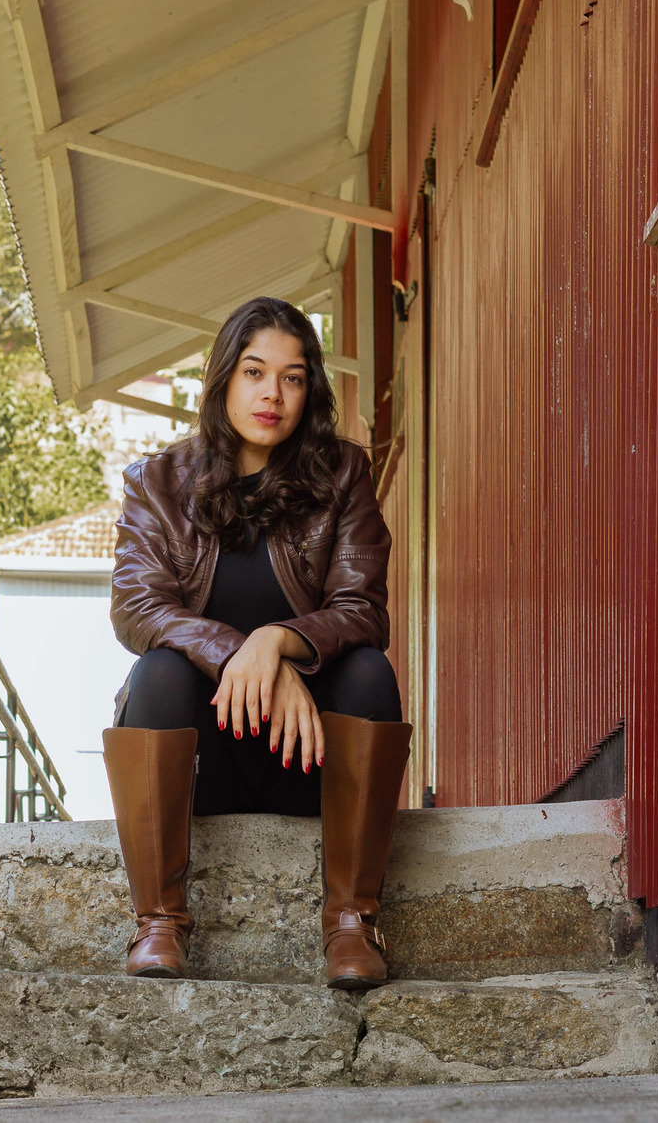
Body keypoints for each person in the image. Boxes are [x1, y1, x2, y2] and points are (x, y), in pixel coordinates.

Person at [103, 296, 412, 991]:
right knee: (158, 673)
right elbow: (137, 607)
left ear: (310, 390)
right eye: (254, 372)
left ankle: (352, 924)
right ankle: (159, 923)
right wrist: (238, 655)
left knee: (367, 673)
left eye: (294, 377)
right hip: (198, 765)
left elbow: (362, 609)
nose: (273, 393)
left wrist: (277, 641)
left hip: (311, 761)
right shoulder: (157, 483)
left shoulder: (342, 476)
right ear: (222, 379)